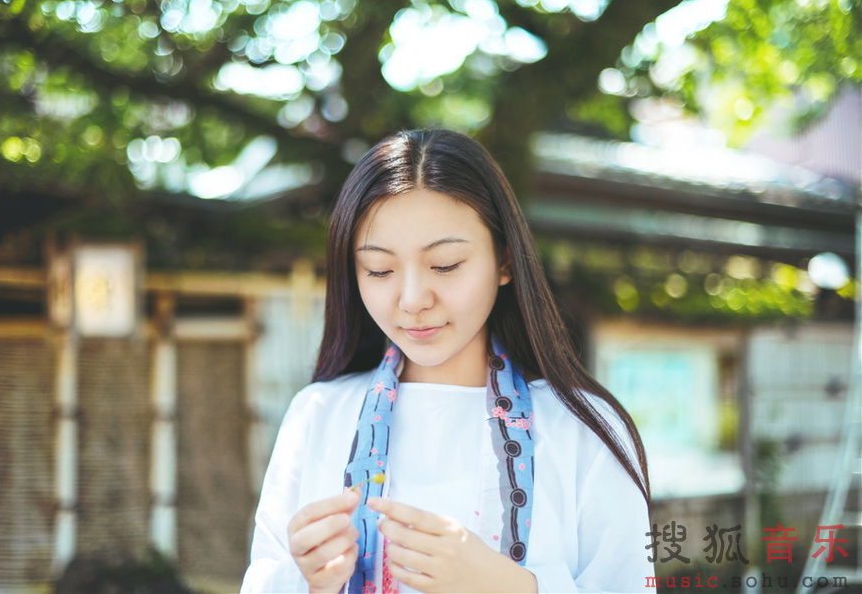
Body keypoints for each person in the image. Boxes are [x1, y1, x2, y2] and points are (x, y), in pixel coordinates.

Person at [241, 129, 650, 594]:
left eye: (446, 264)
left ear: (505, 262)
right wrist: (309, 584)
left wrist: (513, 588)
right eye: (379, 270)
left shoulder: (585, 428)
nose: (413, 299)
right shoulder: (316, 416)